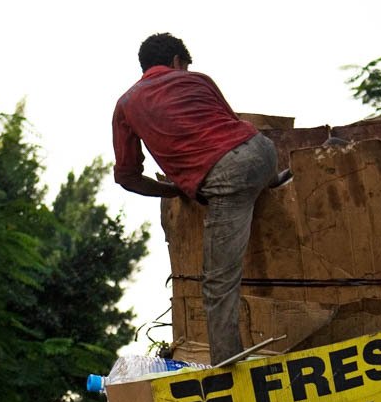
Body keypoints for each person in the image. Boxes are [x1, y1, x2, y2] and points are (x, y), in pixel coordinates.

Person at [112, 33, 288, 365]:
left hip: (227, 179)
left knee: (218, 283)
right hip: (262, 150)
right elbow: (230, 124)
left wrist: (175, 189)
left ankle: (226, 367)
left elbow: (127, 177)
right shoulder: (198, 80)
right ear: (178, 62)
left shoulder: (126, 104)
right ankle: (276, 182)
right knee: (254, 182)